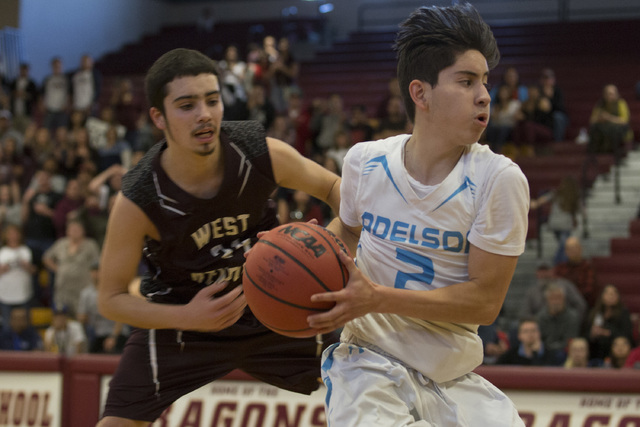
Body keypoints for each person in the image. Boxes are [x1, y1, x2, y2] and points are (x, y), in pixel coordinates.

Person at [305, 4, 529, 425]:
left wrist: (377, 297)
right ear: (420, 93)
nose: (484, 95)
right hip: (366, 361)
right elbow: (347, 230)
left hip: (451, 373)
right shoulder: (364, 162)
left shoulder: (499, 179)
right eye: (466, 81)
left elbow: (484, 303)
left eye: (485, 82)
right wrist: (312, 257)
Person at [95, 48, 342, 426]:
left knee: (376, 371)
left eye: (212, 100)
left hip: (276, 306)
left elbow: (337, 190)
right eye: (187, 105)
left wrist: (329, 251)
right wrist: (189, 317)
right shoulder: (137, 199)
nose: (204, 114)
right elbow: (110, 300)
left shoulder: (259, 153)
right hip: (182, 322)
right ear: (158, 117)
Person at [42, 219, 101, 317]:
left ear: (83, 231)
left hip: (82, 288)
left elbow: (97, 264)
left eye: (77, 229)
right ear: (67, 231)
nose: (74, 232)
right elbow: (46, 257)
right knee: (60, 316)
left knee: (82, 317)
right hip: (62, 288)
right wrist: (57, 269)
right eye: (72, 229)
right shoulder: (61, 243)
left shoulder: (90, 245)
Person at [530, 175, 583, 265]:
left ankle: (562, 264)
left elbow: (543, 200)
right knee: (564, 246)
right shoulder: (574, 197)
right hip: (565, 225)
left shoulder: (556, 194)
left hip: (554, 224)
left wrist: (535, 203)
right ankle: (558, 264)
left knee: (564, 246)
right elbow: (581, 211)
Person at [77, 263, 128, 354]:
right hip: (97, 333)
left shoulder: (114, 290)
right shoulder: (86, 293)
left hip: (116, 333)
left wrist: (113, 337)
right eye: (93, 271)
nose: (96, 274)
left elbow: (121, 317)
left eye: (98, 271)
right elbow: (81, 316)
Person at [520, 262, 587, 323]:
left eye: (546, 270)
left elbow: (580, 304)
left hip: (564, 322)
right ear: (536, 273)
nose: (543, 274)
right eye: (540, 271)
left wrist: (574, 320)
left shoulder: (565, 285)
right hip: (540, 325)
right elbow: (524, 313)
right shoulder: (532, 291)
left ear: (552, 271)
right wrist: (538, 321)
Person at [585, 284, 635, 362]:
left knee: (619, 343)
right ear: (602, 296)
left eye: (613, 294)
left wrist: (608, 333)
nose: (610, 296)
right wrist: (592, 334)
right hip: (597, 348)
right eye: (608, 293)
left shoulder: (623, 313)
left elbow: (626, 335)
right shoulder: (595, 313)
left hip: (613, 346)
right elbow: (585, 332)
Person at [0, 225, 35, 331]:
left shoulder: (25, 250)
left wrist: (25, 265)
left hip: (23, 292)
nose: (13, 236)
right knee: (6, 326)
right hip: (5, 293)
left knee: (26, 325)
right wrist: (4, 268)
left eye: (15, 233)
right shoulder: (2, 252)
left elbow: (33, 271)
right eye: (10, 234)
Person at [536, 282, 581, 356]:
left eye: (558, 298)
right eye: (552, 298)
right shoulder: (541, 317)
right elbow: (539, 339)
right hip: (545, 353)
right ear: (547, 300)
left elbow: (570, 340)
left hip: (565, 353)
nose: (556, 302)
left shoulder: (572, 317)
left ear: (564, 299)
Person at [497, 317, 564, 366]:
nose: (530, 334)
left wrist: (535, 354)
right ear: (519, 336)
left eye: (533, 330)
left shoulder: (551, 355)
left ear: (539, 333)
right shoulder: (510, 356)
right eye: (526, 331)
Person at [588, 84, 633, 155]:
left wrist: (608, 118)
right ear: (604, 95)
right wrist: (600, 119)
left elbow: (624, 120)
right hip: (604, 131)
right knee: (595, 129)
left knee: (616, 131)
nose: (610, 96)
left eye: (612, 94)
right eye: (608, 94)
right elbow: (592, 120)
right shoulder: (600, 104)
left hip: (618, 131)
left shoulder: (621, 103)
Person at [554, 236, 599, 307]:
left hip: (583, 304)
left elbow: (588, 290)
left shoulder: (588, 267)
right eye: (569, 249)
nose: (572, 251)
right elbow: (555, 287)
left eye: (575, 248)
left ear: (581, 249)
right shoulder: (559, 268)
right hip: (562, 305)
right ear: (565, 252)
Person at [538, 68, 569, 142]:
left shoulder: (558, 91)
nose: (547, 81)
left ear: (553, 80)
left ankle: (558, 142)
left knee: (558, 117)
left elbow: (560, 107)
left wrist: (550, 101)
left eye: (549, 78)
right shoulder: (538, 92)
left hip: (556, 117)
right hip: (544, 118)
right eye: (545, 78)